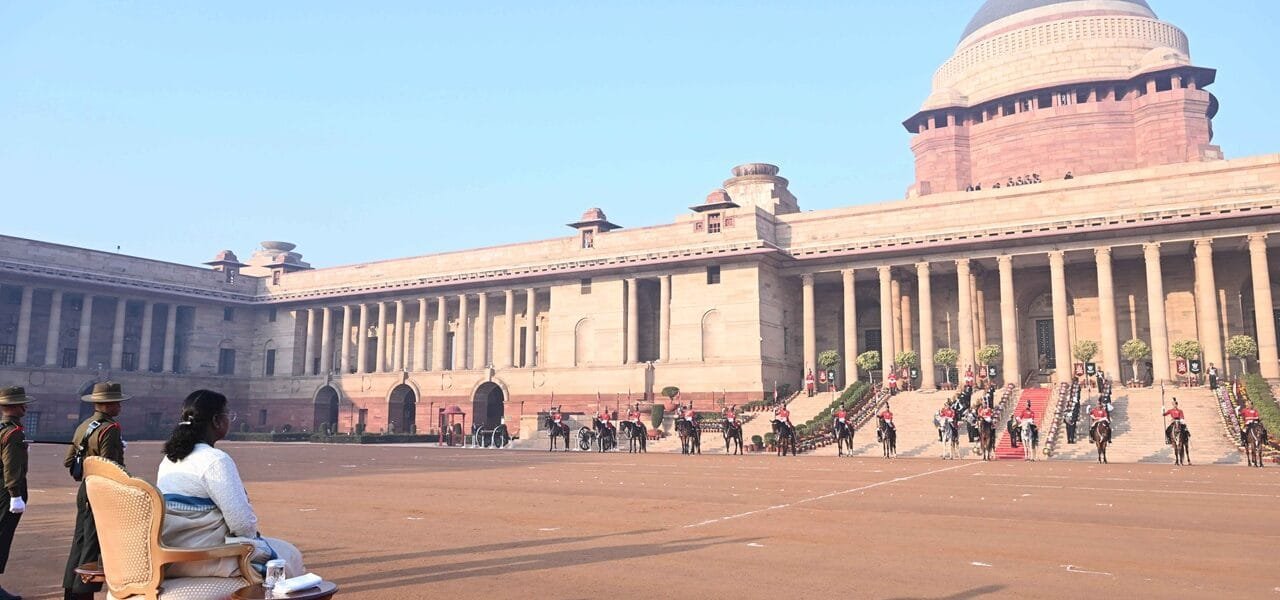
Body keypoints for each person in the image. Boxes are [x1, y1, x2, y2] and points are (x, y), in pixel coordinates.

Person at [157, 390, 304, 579]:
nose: (229, 420)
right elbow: (242, 524)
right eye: (228, 415)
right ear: (217, 421)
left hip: (171, 554)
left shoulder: (170, 458)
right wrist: (255, 541)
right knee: (289, 555)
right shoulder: (215, 460)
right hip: (205, 555)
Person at [62, 381, 129, 600]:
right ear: (107, 404)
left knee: (80, 541)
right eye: (116, 402)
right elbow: (110, 466)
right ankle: (83, 594)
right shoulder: (110, 429)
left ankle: (70, 590)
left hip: (86, 487)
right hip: (101, 491)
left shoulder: (84, 425)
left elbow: (69, 460)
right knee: (92, 545)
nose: (119, 406)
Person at [0, 387, 34, 600]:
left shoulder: (3, 429)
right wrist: (15, 494)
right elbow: (11, 467)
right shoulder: (13, 433)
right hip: (6, 491)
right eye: (22, 403)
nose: (25, 407)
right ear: (13, 407)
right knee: (2, 537)